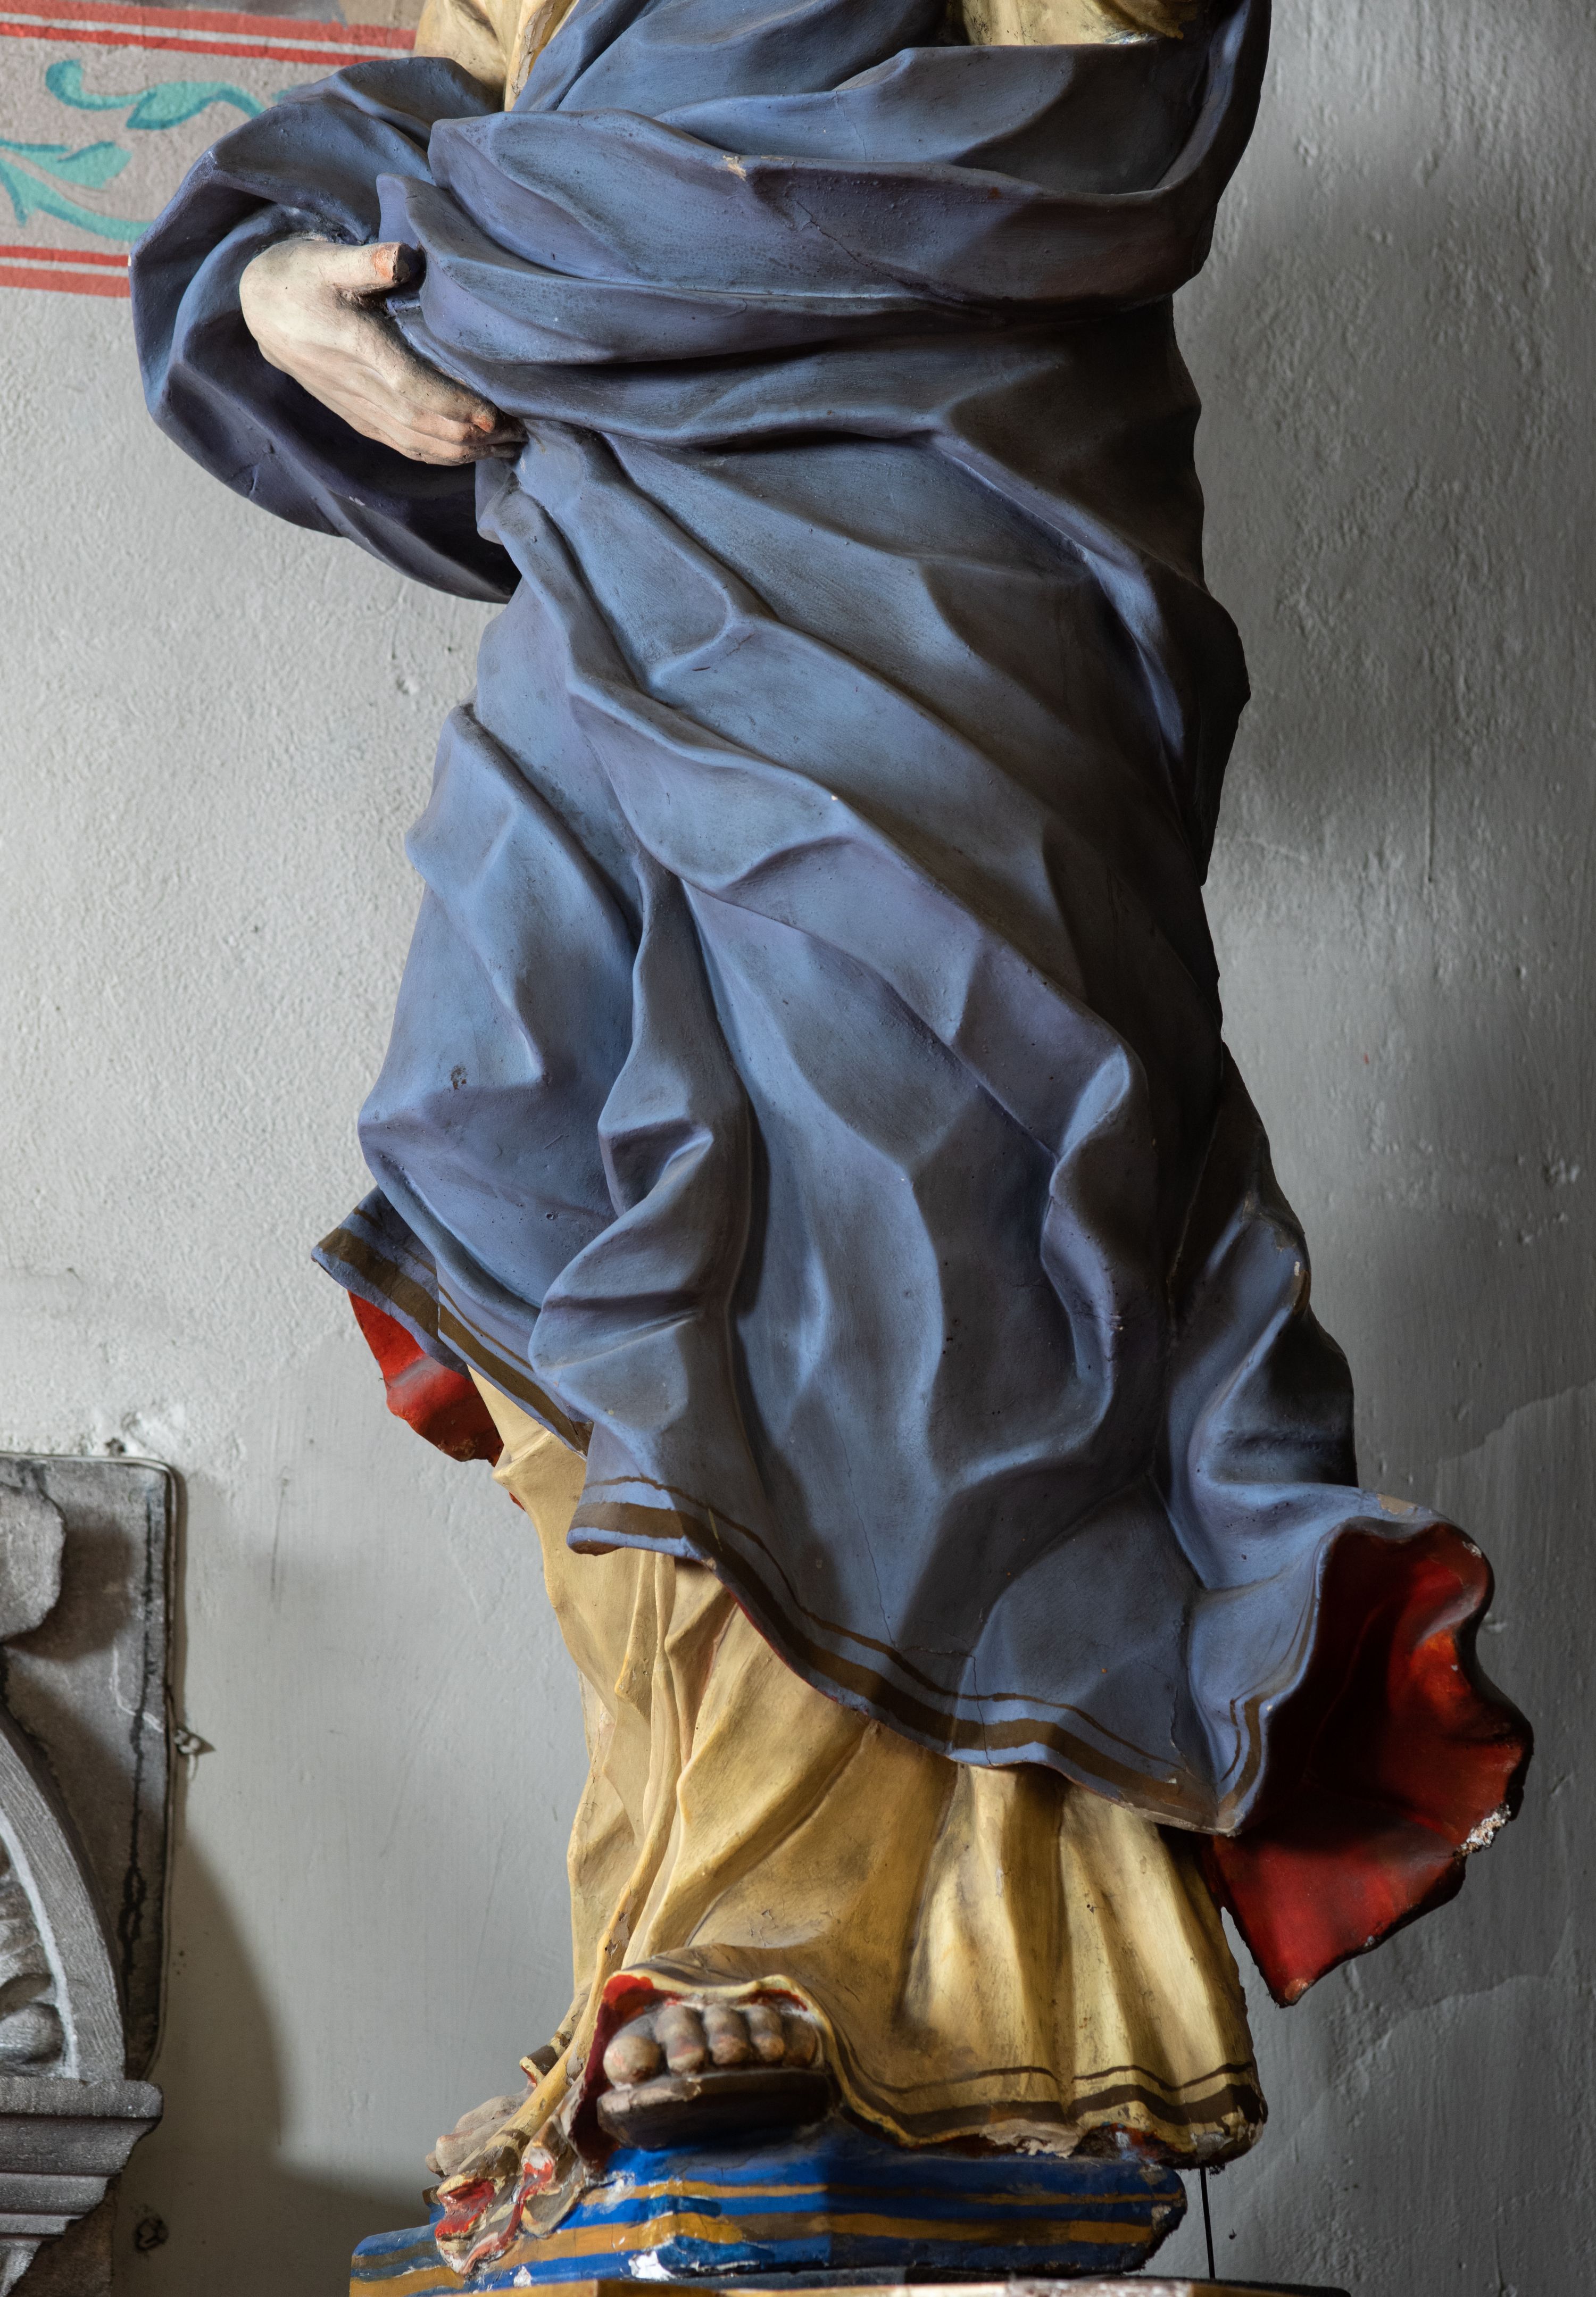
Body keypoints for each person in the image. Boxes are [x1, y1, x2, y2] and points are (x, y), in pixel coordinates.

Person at [131, 0, 1530, 2271]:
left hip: (930, 575)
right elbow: (439, 116)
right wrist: (283, 271)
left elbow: (1091, 126)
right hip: (614, 584)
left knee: (894, 1252)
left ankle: (800, 1956)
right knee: (524, 1177)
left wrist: (510, 242)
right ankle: (701, 1899)